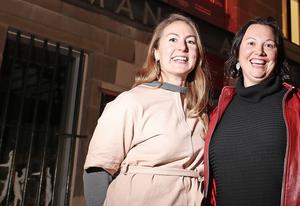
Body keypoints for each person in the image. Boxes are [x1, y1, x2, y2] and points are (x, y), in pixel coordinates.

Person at [204, 17, 300, 205]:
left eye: (269, 45)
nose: (259, 51)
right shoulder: (217, 113)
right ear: (238, 53)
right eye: (251, 43)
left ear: (278, 56)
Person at [84, 14, 209, 205]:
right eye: (173, 39)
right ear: (156, 52)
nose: (182, 47)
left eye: (190, 42)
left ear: (197, 54)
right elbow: (97, 170)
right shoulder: (131, 101)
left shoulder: (200, 111)